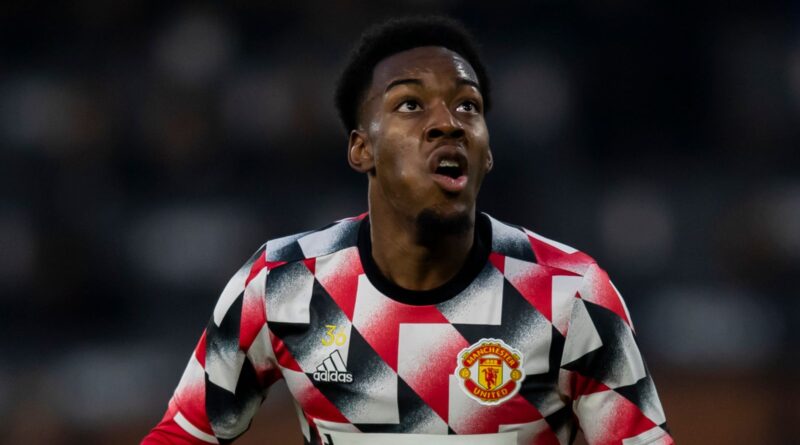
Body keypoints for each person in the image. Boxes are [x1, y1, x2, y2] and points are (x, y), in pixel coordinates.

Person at [143, 16, 673, 445]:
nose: (447, 122)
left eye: (468, 105)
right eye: (410, 105)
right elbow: (185, 435)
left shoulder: (569, 292)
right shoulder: (282, 283)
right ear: (361, 149)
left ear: (487, 153)